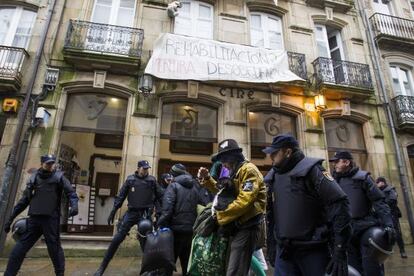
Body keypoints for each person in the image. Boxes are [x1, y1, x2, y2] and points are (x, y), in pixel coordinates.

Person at [262, 134, 351, 276]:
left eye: (275, 152)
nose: (270, 156)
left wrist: (340, 248)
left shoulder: (312, 170)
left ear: (288, 152)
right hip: (284, 251)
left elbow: (339, 204)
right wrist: (272, 244)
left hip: (313, 251)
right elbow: (272, 214)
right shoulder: (273, 176)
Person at [198, 139, 267, 276]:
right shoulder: (233, 170)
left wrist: (220, 216)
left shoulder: (249, 170)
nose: (223, 164)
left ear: (233, 157)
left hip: (248, 226)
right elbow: (222, 191)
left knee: (235, 270)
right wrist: (207, 179)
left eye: (224, 160)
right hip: (237, 225)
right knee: (234, 267)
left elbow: (244, 201)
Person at [4, 154, 79, 276]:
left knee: (54, 250)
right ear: (42, 163)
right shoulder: (34, 179)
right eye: (48, 163)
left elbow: (71, 193)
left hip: (51, 220)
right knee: (20, 248)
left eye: (52, 163)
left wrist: (74, 205)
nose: (50, 166)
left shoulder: (59, 177)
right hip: (34, 220)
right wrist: (11, 218)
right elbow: (24, 200)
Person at [329, 151, 395, 275]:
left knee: (370, 267)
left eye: (337, 161)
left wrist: (389, 224)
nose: (335, 165)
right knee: (354, 270)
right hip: (346, 231)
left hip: (365, 228)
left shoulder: (363, 178)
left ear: (347, 162)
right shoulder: (333, 182)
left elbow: (379, 201)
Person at [94, 160, 163, 276]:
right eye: (144, 168)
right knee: (117, 239)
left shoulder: (151, 180)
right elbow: (121, 196)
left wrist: (163, 212)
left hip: (145, 214)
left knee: (146, 242)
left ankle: (151, 270)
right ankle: (101, 268)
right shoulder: (130, 180)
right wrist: (113, 211)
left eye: (147, 168)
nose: (146, 170)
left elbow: (161, 195)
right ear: (138, 168)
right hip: (131, 213)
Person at [158, 163, 206, 276]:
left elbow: (167, 210)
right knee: (187, 265)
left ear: (174, 174)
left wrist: (159, 225)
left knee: (168, 264)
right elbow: (202, 205)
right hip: (191, 231)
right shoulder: (194, 187)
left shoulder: (173, 186)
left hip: (175, 232)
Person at [376, 176, 407, 258]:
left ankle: (402, 250)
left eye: (377, 182)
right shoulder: (378, 191)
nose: (376, 184)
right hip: (382, 216)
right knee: (385, 233)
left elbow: (393, 200)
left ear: (382, 182)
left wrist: (383, 205)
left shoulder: (390, 189)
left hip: (392, 214)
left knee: (396, 233)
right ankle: (388, 250)